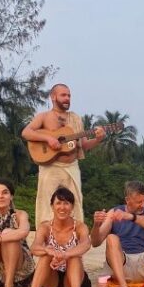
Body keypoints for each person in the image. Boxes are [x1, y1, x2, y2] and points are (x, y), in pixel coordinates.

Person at [21, 83, 105, 227]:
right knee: (46, 203)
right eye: (63, 95)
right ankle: (45, 239)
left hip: (71, 166)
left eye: (69, 95)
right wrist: (48, 139)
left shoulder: (76, 118)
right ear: (53, 97)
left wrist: (98, 139)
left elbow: (83, 145)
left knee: (75, 202)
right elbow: (26, 132)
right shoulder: (44, 116)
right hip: (50, 166)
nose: (67, 98)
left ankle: (74, 237)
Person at [20, 188, 92, 287]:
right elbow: (34, 247)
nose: (62, 207)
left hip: (73, 282)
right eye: (58, 203)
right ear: (52, 206)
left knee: (74, 257)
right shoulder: (45, 227)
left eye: (66, 203)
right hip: (50, 281)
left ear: (72, 207)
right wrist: (49, 250)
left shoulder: (80, 227)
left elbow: (86, 244)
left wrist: (65, 254)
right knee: (45, 255)